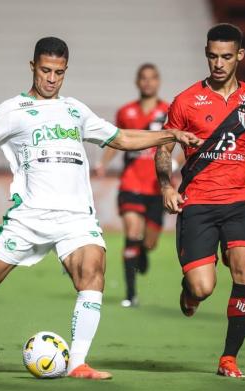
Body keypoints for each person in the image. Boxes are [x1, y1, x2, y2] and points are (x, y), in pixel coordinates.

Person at [0, 37, 200, 380]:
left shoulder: (75, 110)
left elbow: (121, 138)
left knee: (92, 272)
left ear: (65, 71)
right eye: (45, 70)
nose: (51, 78)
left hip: (76, 218)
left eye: (59, 72)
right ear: (32, 67)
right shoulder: (10, 110)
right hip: (28, 217)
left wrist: (171, 135)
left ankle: (77, 363)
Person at [155, 23, 245, 378]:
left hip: (242, 200)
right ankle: (190, 294)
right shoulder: (185, 101)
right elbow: (164, 148)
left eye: (226, 56)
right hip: (197, 202)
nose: (218, 63)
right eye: (212, 56)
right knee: (203, 287)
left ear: (240, 55)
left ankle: (229, 357)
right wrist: (167, 185)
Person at [96, 64, 176, 307]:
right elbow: (115, 140)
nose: (148, 82)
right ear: (137, 82)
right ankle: (130, 295)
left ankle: (141, 250)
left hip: (156, 187)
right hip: (131, 183)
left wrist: (175, 162)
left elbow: (182, 142)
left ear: (158, 81)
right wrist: (104, 163)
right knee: (131, 232)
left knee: (149, 242)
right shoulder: (126, 112)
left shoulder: (169, 111)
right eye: (143, 78)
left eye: (152, 78)